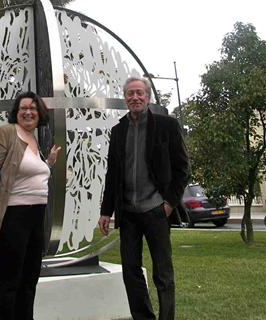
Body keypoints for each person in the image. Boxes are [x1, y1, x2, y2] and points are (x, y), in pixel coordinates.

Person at [98, 77, 189, 320]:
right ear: (125, 98)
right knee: (130, 271)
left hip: (157, 211)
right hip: (128, 214)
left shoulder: (167, 126)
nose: (135, 97)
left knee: (163, 273)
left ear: (147, 97)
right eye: (130, 93)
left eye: (139, 93)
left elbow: (182, 169)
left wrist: (169, 203)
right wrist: (106, 210)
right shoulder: (118, 131)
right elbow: (113, 174)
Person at [0, 91, 61, 320]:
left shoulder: (34, 140)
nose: (28, 112)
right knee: (8, 282)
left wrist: (48, 164)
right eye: (23, 108)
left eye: (33, 108)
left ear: (40, 113)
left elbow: (30, 176)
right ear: (16, 112)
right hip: (14, 217)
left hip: (36, 217)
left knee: (29, 280)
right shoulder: (6, 133)